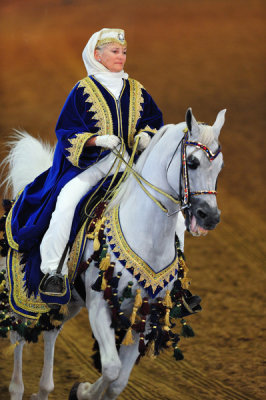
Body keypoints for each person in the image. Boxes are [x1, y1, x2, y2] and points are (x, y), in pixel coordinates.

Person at [7, 28, 163, 302]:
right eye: (115, 52)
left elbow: (153, 119)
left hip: (127, 164)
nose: (121, 57)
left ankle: (173, 273)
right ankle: (53, 270)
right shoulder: (82, 91)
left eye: (124, 52)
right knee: (66, 201)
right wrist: (96, 141)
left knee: (164, 199)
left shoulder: (137, 89)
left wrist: (145, 136)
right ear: (97, 55)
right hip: (91, 166)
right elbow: (66, 132)